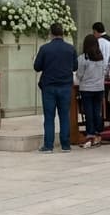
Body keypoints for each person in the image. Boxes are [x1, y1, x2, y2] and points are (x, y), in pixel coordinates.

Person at [33, 23, 77, 153]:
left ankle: (48, 145)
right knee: (64, 116)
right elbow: (75, 67)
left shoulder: (45, 48)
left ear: (50, 33)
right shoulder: (70, 49)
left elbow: (37, 67)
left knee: (49, 116)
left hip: (49, 86)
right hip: (65, 86)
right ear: (62, 33)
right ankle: (65, 145)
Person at [76, 34, 106, 148]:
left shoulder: (83, 58)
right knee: (97, 111)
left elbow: (79, 75)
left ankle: (90, 133)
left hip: (87, 88)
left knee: (88, 111)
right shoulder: (101, 57)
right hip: (99, 88)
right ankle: (98, 132)